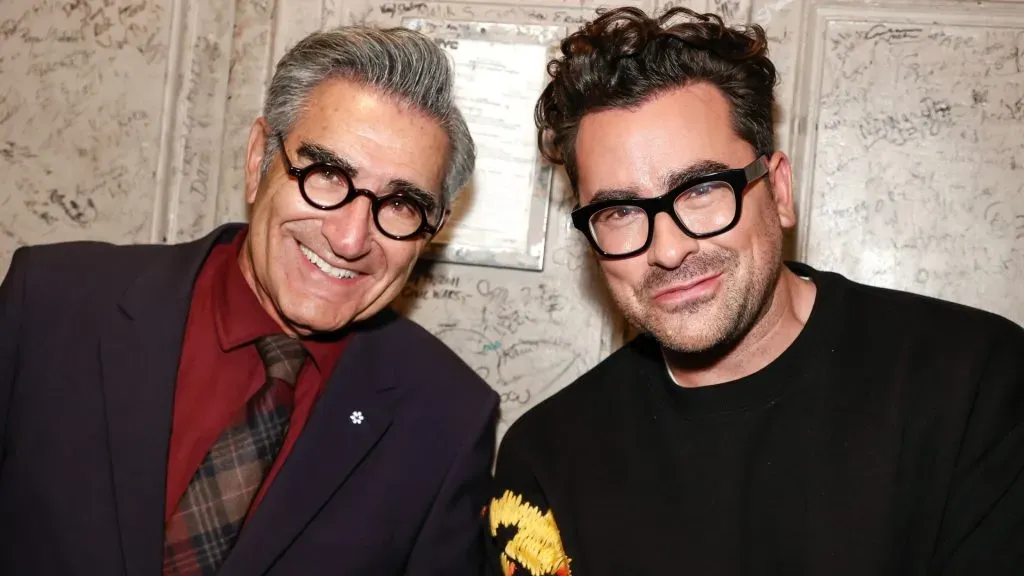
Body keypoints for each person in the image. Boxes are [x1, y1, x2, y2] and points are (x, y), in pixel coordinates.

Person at [487, 6, 1024, 575]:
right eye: (619, 211)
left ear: (780, 190)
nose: (668, 250)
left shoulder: (975, 384)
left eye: (700, 190)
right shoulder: (546, 459)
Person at [0, 25, 499, 575]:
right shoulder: (51, 304)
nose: (352, 239)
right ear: (259, 157)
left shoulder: (446, 419)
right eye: (328, 174)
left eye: (402, 203)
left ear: (432, 229)